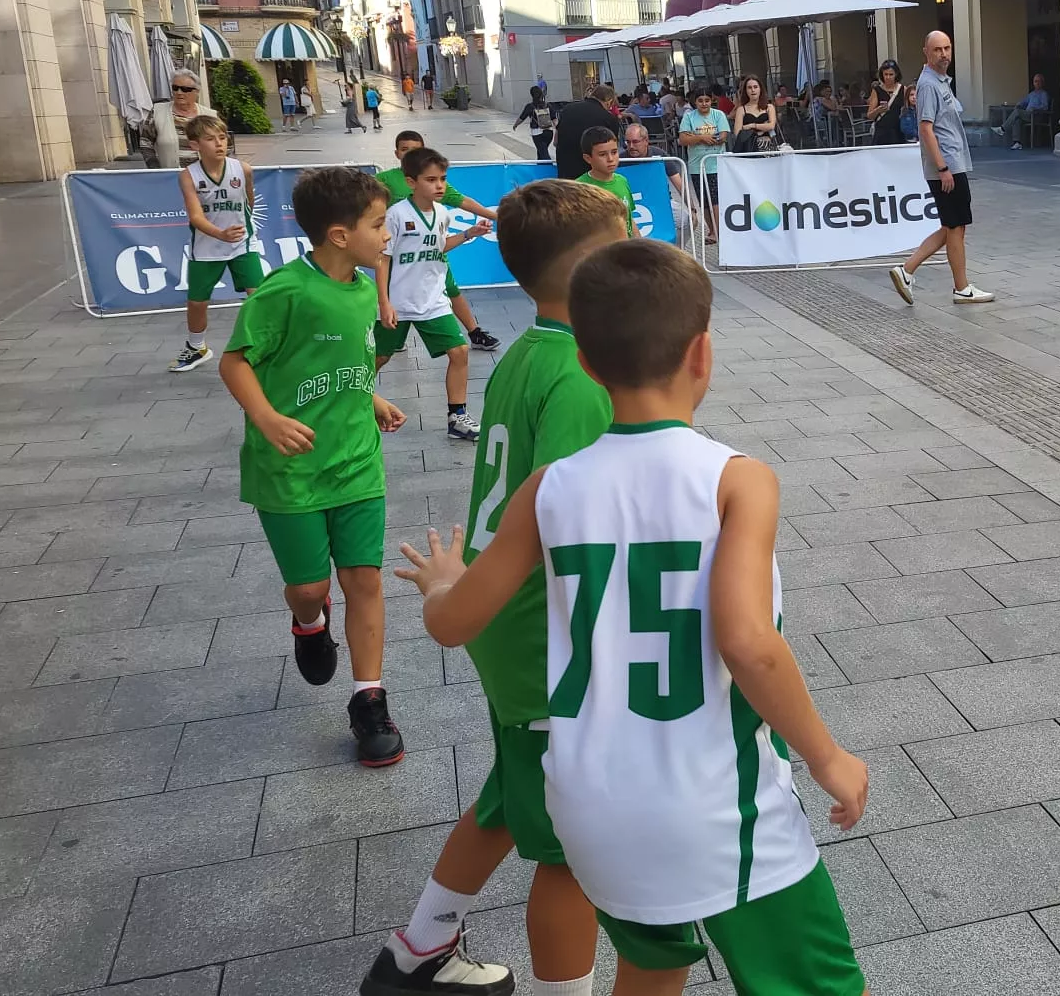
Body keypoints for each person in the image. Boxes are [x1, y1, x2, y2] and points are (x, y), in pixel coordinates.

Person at [395, 238, 872, 996]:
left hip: (587, 809)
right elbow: (748, 643)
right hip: (713, 809)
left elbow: (454, 624)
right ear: (703, 354)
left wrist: (440, 584)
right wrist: (827, 757)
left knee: (654, 961)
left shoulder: (549, 487)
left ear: (584, 359)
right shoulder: (738, 481)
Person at [358, 180, 632, 996]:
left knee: (513, 798)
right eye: (623, 250)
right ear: (590, 274)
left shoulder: (527, 351)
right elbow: (575, 532)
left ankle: (420, 947)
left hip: (505, 625)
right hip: (545, 639)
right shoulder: (583, 381)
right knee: (572, 857)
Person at [219, 167, 408, 767]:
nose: (387, 235)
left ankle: (369, 699)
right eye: (378, 225)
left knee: (365, 581)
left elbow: (351, 362)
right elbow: (235, 363)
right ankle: (307, 622)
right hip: (291, 472)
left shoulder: (360, 288)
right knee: (311, 588)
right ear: (337, 233)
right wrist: (269, 420)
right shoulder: (285, 292)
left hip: (357, 465)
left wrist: (369, 399)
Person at [374, 147, 492, 442]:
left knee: (460, 351)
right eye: (431, 180)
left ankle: (457, 417)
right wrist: (384, 302)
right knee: (377, 359)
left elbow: (438, 247)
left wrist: (468, 235)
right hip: (399, 302)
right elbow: (382, 258)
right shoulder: (396, 215)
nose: (439, 185)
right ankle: (349, 398)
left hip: (433, 301)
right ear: (411, 182)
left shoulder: (442, 214)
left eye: (442, 179)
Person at [890, 31, 994, 306]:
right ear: (926, 51)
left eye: (947, 48)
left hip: (953, 163)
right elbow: (926, 128)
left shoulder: (940, 82)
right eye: (937, 49)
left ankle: (910, 271)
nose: (944, 54)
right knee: (955, 225)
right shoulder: (928, 85)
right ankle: (955, 285)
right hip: (946, 165)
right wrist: (943, 167)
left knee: (954, 226)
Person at [377, 131, 504, 352]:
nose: (438, 184)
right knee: (386, 342)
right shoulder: (386, 181)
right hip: (400, 260)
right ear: (397, 153)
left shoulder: (437, 192)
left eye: (416, 149)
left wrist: (497, 217)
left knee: (451, 292)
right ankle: (392, 340)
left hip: (432, 257)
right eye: (405, 149)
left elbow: (462, 200)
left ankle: (474, 332)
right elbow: (363, 202)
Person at [170, 116, 258, 373]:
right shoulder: (188, 176)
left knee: (258, 295)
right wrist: (220, 233)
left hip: (243, 243)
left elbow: (249, 201)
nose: (219, 143)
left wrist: (239, 231)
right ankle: (197, 346)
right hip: (207, 246)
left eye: (222, 137)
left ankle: (260, 344)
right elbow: (195, 216)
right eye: (210, 139)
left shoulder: (243, 169)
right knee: (197, 302)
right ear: (195, 145)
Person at [678, 84, 732, 243]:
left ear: (711, 100)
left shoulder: (718, 115)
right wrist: (701, 138)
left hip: (715, 163)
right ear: (695, 102)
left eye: (707, 100)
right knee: (704, 201)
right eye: (700, 100)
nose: (704, 104)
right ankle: (711, 229)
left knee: (715, 199)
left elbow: (723, 134)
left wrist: (696, 137)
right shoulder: (689, 117)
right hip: (697, 165)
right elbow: (683, 139)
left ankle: (719, 230)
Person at [142, 69, 222, 170]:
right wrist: (154, 167)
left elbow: (225, 145)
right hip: (169, 176)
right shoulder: (158, 112)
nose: (179, 92)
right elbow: (145, 142)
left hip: (205, 176)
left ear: (196, 91)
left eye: (184, 89)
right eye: (175, 88)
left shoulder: (211, 115)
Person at [556, 84, 621, 181]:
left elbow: (555, 141)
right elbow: (611, 148)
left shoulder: (567, 109)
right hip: (593, 176)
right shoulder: (609, 118)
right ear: (609, 102)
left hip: (566, 172)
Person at [576, 126, 635, 222]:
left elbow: (630, 220)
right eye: (602, 154)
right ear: (588, 158)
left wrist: (637, 236)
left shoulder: (622, 181)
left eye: (614, 152)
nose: (610, 159)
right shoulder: (580, 189)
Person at [992, 72, 1051, 150]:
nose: (1037, 83)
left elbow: (1045, 106)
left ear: (1042, 83)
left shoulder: (1043, 94)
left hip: (1036, 115)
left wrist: (1036, 108)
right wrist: (1019, 104)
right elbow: (1023, 101)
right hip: (1028, 115)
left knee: (1017, 112)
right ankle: (1017, 143)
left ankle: (1002, 129)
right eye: (1035, 81)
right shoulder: (1031, 94)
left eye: (1038, 81)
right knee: (1017, 118)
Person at [866, 60, 908, 147]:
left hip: (898, 132)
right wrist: (878, 110)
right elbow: (869, 115)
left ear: (896, 74)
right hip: (881, 133)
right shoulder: (877, 90)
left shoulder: (903, 89)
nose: (888, 77)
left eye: (891, 74)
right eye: (886, 74)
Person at [732, 76, 777, 152]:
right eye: (749, 87)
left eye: (755, 87)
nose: (753, 90)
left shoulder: (769, 107)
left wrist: (751, 126)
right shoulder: (741, 109)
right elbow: (737, 133)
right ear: (746, 91)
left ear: (760, 89)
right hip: (749, 148)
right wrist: (763, 127)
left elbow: (771, 126)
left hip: (768, 148)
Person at [514, 84, 558, 161]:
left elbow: (522, 118)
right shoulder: (548, 105)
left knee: (544, 155)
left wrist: (515, 125)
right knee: (541, 152)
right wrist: (558, 128)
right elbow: (554, 118)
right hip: (549, 132)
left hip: (537, 133)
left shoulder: (530, 106)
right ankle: (539, 166)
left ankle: (550, 169)